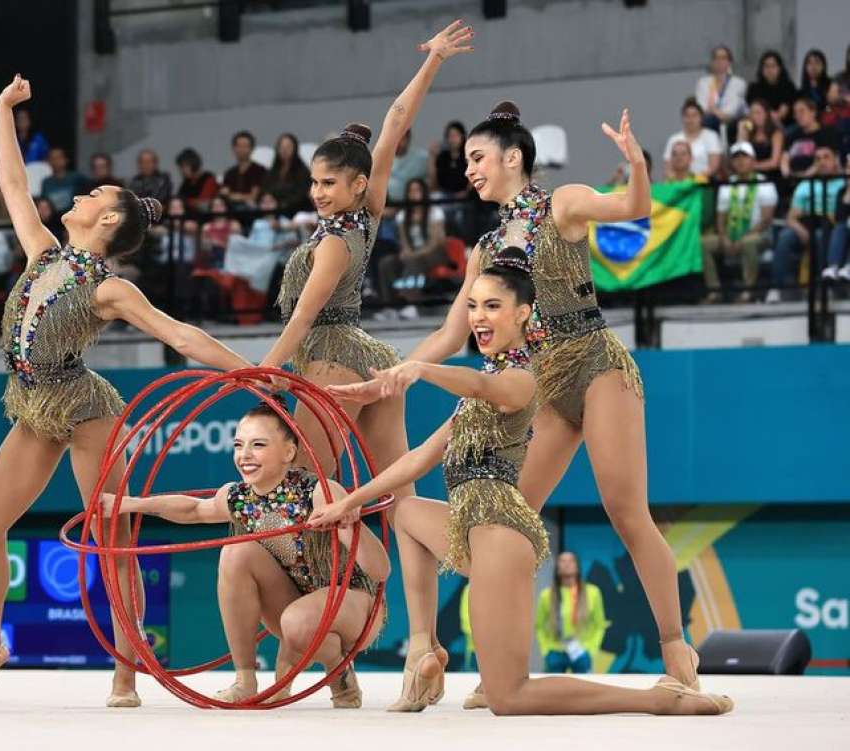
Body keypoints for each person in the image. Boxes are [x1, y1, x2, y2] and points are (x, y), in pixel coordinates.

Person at [338, 100, 709, 703]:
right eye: (466, 162)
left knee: (624, 510)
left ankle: (675, 649)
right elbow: (453, 334)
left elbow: (634, 208)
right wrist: (393, 374)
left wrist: (637, 165)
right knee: (505, 519)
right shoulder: (484, 250)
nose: (470, 170)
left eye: (478, 158)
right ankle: (496, 667)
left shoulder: (560, 204)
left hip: (594, 362)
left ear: (513, 158)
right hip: (538, 384)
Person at [311, 249, 731, 716]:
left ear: (523, 312)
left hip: (500, 533)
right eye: (472, 306)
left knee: (510, 697)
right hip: (470, 528)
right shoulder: (481, 389)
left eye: (492, 306)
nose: (478, 317)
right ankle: (421, 647)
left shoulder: (522, 377)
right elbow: (414, 461)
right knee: (404, 510)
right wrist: (349, 502)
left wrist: (419, 369)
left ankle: (658, 699)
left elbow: (482, 387)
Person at [0, 74, 253, 708]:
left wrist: (247, 373)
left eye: (94, 193)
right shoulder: (41, 252)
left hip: (86, 408)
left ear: (108, 218)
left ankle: (127, 668)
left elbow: (181, 335)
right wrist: (2, 109)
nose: (81, 194)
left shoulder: (108, 288)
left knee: (112, 533)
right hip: (37, 408)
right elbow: (12, 182)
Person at [261, 23, 474, 696]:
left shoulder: (332, 244)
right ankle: (422, 645)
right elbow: (395, 122)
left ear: (357, 184)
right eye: (315, 183)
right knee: (401, 500)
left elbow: (301, 319)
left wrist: (261, 376)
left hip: (327, 364)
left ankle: (339, 655)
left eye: (330, 183)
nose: (319, 193)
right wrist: (433, 61)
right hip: (372, 366)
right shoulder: (366, 214)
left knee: (315, 497)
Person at [101, 400, 389, 707]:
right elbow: (194, 509)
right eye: (239, 445)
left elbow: (380, 571)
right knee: (235, 552)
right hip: (294, 606)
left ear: (289, 453)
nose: (245, 455)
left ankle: (331, 670)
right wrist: (130, 504)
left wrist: (348, 523)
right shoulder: (238, 497)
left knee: (297, 622)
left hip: (356, 605)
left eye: (258, 445)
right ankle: (246, 680)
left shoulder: (321, 492)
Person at [701, 142, 777, 303]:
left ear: (753, 160)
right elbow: (720, 217)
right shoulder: (728, 185)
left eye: (745, 157)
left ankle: (747, 292)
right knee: (704, 243)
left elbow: (766, 219)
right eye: (736, 158)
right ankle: (714, 291)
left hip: (759, 235)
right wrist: (724, 238)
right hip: (731, 235)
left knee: (749, 242)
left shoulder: (764, 183)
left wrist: (742, 239)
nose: (740, 161)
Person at [768, 144, 846, 302]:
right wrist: (800, 230)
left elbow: (841, 214)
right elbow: (791, 217)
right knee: (785, 237)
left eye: (826, 157)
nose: (822, 162)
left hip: (830, 225)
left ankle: (822, 287)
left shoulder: (843, 184)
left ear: (835, 161)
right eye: (817, 159)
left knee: (819, 237)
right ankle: (778, 288)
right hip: (803, 226)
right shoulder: (805, 185)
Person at [375, 177, 447, 321]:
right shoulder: (403, 216)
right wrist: (407, 252)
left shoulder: (435, 212)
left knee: (414, 260)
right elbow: (404, 241)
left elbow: (437, 242)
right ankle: (389, 306)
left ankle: (412, 304)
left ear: (424, 192)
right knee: (386, 263)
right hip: (413, 254)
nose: (414, 194)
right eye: (411, 191)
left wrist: (413, 254)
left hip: (434, 253)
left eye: (417, 190)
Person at [536, 551, 607, 674]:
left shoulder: (593, 592)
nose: (567, 564)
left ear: (577, 566)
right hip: (555, 652)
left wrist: (591, 649)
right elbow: (539, 626)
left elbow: (600, 625)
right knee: (554, 691)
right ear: (557, 567)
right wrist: (546, 649)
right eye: (562, 561)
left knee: (583, 691)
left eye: (571, 561)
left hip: (581, 651)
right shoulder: (546, 595)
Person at [663, 98, 722, 179]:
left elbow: (713, 167)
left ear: (701, 117)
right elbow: (668, 169)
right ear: (682, 118)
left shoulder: (711, 136)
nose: (690, 119)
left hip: (703, 183)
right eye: (687, 116)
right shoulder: (673, 139)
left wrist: (694, 180)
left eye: (694, 115)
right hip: (678, 185)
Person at [695, 45, 747, 135]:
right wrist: (717, 113)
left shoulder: (738, 83)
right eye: (716, 58)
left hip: (732, 124)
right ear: (712, 62)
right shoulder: (703, 82)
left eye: (723, 58)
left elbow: (731, 112)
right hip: (708, 122)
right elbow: (701, 108)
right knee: (707, 121)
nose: (719, 61)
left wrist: (713, 110)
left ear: (729, 62)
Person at [781, 96, 839, 178]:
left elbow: (824, 159)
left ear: (813, 112)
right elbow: (785, 158)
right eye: (795, 113)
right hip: (792, 178)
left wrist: (805, 176)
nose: (798, 116)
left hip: (814, 179)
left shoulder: (827, 133)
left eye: (802, 111)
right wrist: (787, 174)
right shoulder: (792, 135)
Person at [262, 133, 312, 215]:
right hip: (272, 211)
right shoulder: (272, 171)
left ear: (294, 149)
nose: (284, 150)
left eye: (288, 147)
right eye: (281, 147)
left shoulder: (302, 172)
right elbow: (265, 190)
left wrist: (281, 204)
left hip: (295, 211)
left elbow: (301, 195)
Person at [745, 50, 797, 127]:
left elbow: (782, 113)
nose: (769, 70)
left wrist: (771, 116)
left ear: (779, 68)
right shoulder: (753, 87)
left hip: (782, 124)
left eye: (773, 66)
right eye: (766, 66)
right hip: (757, 123)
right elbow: (751, 109)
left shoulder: (788, 86)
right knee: (744, 125)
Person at [736, 99, 783, 180]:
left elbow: (774, 162)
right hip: (751, 176)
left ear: (766, 114)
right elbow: (739, 154)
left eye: (758, 113)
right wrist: (741, 131)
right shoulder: (749, 133)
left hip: (770, 176)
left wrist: (752, 166)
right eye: (752, 113)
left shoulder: (776, 133)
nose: (755, 116)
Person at [222, 131, 266, 208]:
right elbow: (224, 194)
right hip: (231, 210)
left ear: (251, 149)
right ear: (234, 148)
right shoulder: (230, 173)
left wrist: (235, 196)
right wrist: (242, 197)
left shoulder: (259, 170)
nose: (241, 149)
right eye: (238, 146)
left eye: (245, 146)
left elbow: (253, 196)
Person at [40, 147, 88, 214]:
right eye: (52, 158)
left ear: (66, 160)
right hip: (54, 221)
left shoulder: (77, 178)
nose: (56, 161)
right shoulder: (46, 182)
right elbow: (44, 203)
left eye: (58, 157)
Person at [174, 148, 218, 213]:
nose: (181, 171)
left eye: (183, 167)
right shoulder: (186, 182)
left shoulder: (208, 178)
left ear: (193, 165)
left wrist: (186, 202)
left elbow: (204, 205)